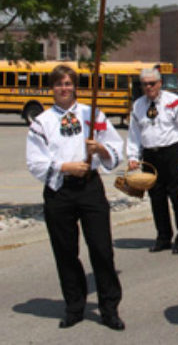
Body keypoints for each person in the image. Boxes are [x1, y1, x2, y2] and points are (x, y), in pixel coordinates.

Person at [26, 64, 125, 330]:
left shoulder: (92, 114)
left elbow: (116, 147)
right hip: (60, 191)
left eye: (68, 84)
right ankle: (74, 306)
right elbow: (35, 162)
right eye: (59, 84)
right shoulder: (41, 122)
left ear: (75, 87)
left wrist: (101, 148)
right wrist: (64, 167)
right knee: (66, 251)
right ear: (52, 89)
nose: (64, 88)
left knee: (102, 249)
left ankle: (109, 308)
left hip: (90, 189)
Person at [127, 67, 178, 254]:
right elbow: (134, 134)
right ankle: (163, 237)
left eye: (152, 83)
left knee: (177, 197)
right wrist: (133, 156)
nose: (149, 87)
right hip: (150, 155)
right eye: (145, 84)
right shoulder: (138, 106)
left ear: (160, 83)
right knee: (156, 198)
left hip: (172, 152)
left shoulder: (173, 102)